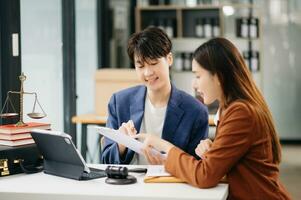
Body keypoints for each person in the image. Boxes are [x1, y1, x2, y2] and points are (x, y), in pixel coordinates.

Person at [134, 38, 291, 199]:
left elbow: (204, 176)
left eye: (198, 76)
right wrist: (215, 149)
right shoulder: (232, 108)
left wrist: (164, 146)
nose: (194, 84)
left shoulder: (241, 113)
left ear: (219, 77)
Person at [100, 27, 208, 165]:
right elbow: (105, 161)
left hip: (172, 184)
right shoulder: (119, 102)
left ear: (169, 59)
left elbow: (197, 166)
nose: (148, 73)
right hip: (129, 184)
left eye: (154, 63)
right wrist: (122, 143)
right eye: (140, 66)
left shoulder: (195, 111)